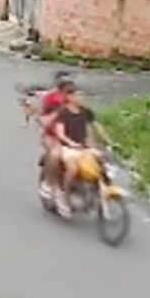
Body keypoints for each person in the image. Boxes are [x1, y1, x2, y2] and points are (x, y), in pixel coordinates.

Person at [52, 85, 101, 217]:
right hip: (67, 147)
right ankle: (63, 194)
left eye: (81, 95)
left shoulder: (86, 112)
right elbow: (60, 133)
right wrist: (71, 143)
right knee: (73, 167)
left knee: (100, 163)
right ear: (69, 97)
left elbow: (94, 128)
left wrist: (106, 142)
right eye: (77, 95)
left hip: (83, 147)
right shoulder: (63, 112)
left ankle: (98, 193)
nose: (80, 98)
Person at [38, 72, 75, 200]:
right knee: (54, 154)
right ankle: (47, 184)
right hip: (52, 135)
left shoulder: (74, 99)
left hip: (71, 136)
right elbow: (43, 121)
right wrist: (58, 111)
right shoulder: (50, 99)